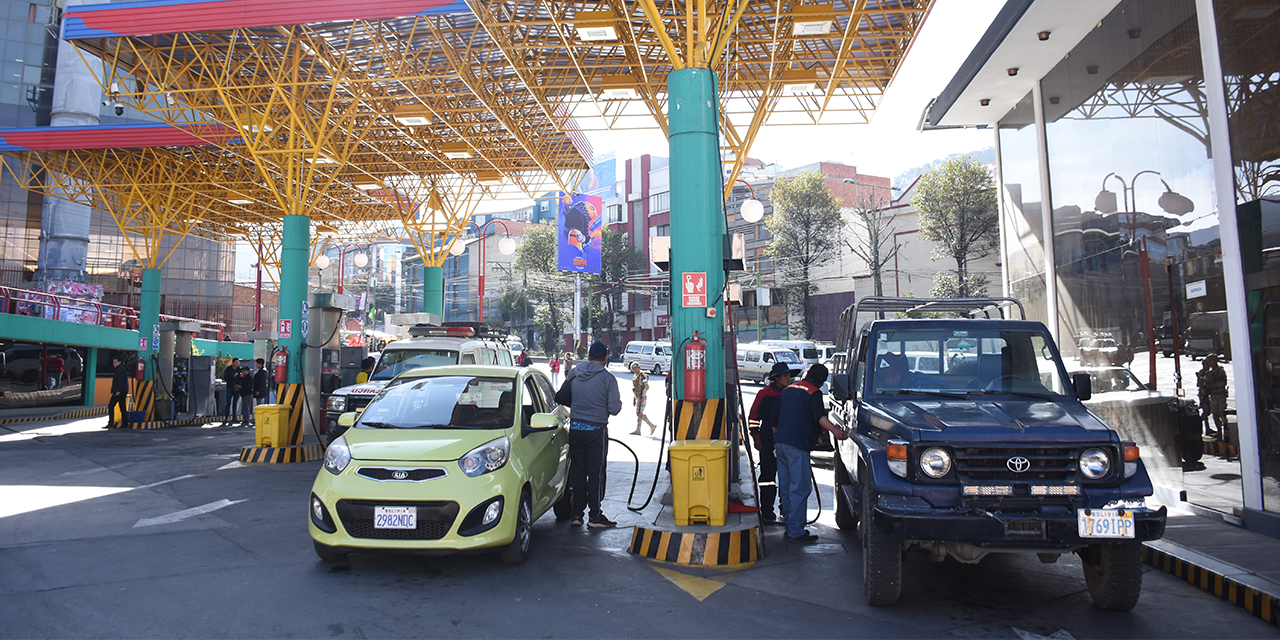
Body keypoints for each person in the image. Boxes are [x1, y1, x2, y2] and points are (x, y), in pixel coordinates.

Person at [773, 363, 847, 543]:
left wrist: (778, 441)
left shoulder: (788, 390)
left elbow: (774, 419)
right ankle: (796, 532)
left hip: (781, 444)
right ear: (820, 380)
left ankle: (790, 527)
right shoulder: (813, 392)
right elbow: (820, 417)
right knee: (799, 488)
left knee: (787, 487)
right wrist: (835, 431)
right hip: (797, 447)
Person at [564, 342, 622, 528]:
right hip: (596, 431)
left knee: (578, 472)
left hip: (575, 430)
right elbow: (614, 409)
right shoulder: (608, 379)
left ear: (588, 357)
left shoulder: (574, 373)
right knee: (596, 474)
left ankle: (576, 515)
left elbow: (564, 396)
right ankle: (595, 516)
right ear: (606, 358)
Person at [748, 361, 800, 525]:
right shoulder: (764, 394)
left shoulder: (793, 393)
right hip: (768, 441)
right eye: (785, 375)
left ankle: (786, 508)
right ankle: (767, 510)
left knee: (789, 477)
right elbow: (753, 418)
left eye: (789, 375)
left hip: (790, 441)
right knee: (768, 477)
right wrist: (756, 438)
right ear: (776, 378)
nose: (788, 378)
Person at [874, 352, 945, 392]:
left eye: (897, 375)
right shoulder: (873, 387)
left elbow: (943, 386)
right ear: (883, 377)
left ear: (902, 374)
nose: (894, 379)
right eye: (891, 377)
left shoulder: (914, 381)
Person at [1198, 355, 1228, 438]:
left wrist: (1213, 385)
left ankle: (1226, 431)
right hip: (1213, 395)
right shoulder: (1209, 373)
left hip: (1220, 395)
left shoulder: (1220, 371)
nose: (1209, 363)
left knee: (1222, 414)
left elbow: (1223, 383)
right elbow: (1204, 384)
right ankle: (1219, 431)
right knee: (1215, 414)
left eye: (1210, 361)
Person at [630, 362, 658, 435]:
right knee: (639, 413)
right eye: (634, 368)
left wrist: (643, 396)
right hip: (638, 396)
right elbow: (635, 388)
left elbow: (646, 386)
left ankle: (651, 425)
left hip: (642, 396)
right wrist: (634, 399)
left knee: (639, 413)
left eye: (636, 368)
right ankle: (638, 429)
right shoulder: (635, 376)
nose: (635, 369)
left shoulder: (642, 375)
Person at [106, 356, 130, 430]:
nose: (114, 363)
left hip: (120, 391)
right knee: (122, 407)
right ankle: (124, 424)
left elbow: (120, 381)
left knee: (111, 406)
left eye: (115, 362)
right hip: (122, 391)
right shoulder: (119, 369)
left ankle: (111, 423)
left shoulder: (120, 369)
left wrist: (118, 391)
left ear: (119, 362)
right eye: (113, 362)